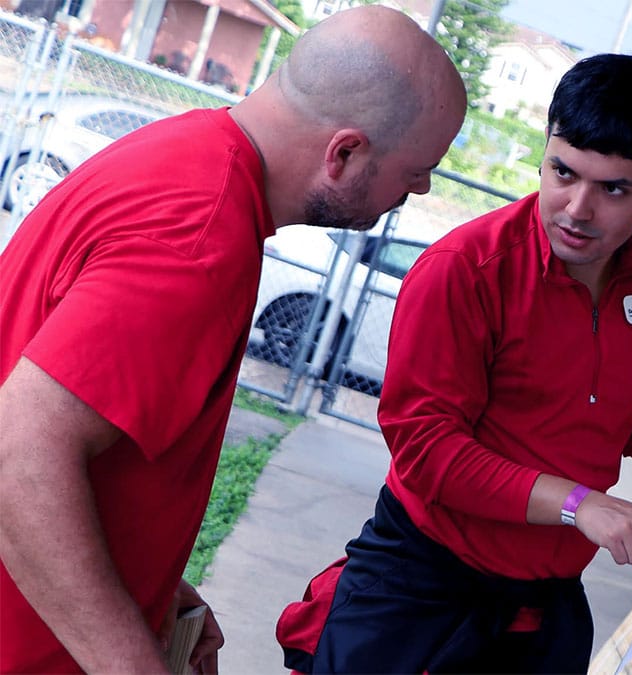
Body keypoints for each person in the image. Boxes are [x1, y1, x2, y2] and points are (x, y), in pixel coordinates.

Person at [276, 53, 632, 674]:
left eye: (613, 188)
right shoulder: (465, 270)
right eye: (562, 172)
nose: (576, 207)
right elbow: (427, 450)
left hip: (543, 607)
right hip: (419, 587)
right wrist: (582, 504)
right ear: (543, 154)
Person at [0, 6, 466, 673]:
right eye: (418, 169)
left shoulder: (187, 154)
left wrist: (156, 588)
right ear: (344, 153)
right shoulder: (200, 239)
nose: (417, 188)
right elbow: (19, 458)